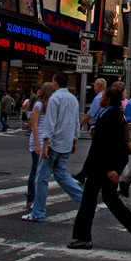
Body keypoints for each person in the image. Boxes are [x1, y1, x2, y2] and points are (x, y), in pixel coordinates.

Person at [68, 86, 131, 251]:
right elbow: (108, 139)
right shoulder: (112, 113)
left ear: (109, 99)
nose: (101, 97)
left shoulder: (111, 115)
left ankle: (84, 238)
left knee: (88, 201)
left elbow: (111, 144)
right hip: (103, 164)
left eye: (103, 95)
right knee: (110, 198)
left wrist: (111, 169)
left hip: (102, 166)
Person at [22, 72, 83, 222]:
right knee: (61, 174)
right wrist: (75, 140)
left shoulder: (55, 98)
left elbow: (50, 123)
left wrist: (45, 145)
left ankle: (38, 212)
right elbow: (76, 121)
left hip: (54, 143)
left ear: (56, 83)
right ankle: (83, 200)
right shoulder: (73, 99)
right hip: (67, 142)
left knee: (41, 178)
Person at [26, 82, 53, 209]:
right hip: (38, 139)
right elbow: (34, 125)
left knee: (41, 171)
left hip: (46, 139)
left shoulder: (51, 105)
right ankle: (31, 198)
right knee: (35, 169)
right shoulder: (38, 104)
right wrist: (37, 144)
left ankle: (37, 198)